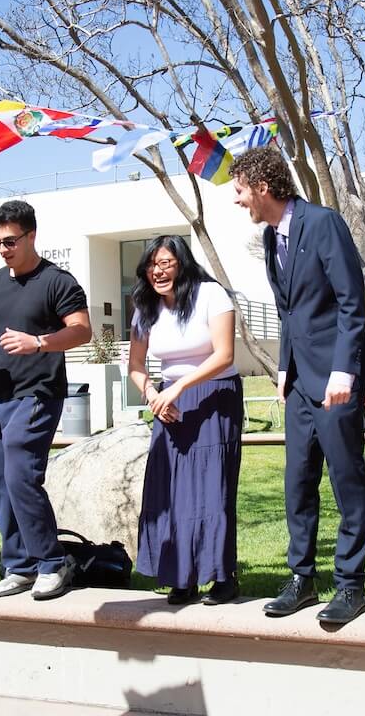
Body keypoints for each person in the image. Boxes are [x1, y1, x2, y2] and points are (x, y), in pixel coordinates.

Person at [230, 145, 365, 625]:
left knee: (347, 480)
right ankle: (303, 579)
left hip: (337, 378)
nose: (238, 200)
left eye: (240, 190)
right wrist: (286, 369)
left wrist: (344, 371)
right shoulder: (273, 238)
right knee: (298, 482)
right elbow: (288, 311)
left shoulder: (323, 223)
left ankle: (351, 586)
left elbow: (353, 304)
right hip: (299, 382)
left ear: (263, 187)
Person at [0, 200, 92, 601]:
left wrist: (38, 342)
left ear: (31, 235)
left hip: (38, 393)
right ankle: (19, 565)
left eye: (10, 241)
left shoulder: (59, 281)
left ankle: (53, 563)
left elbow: (82, 331)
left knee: (22, 477)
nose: (3, 249)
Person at [128, 235, 244, 606]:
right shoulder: (145, 308)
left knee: (213, 489)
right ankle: (182, 576)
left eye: (165, 264)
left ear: (182, 264)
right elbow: (135, 365)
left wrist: (177, 390)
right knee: (172, 491)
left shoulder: (212, 295)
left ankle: (222, 577)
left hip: (214, 395)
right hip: (166, 401)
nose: (157, 272)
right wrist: (153, 397)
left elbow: (224, 355)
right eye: (152, 265)